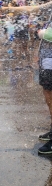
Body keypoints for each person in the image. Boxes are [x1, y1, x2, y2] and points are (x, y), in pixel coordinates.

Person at [37, 22, 52, 154]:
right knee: (48, 97)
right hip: (47, 64)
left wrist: (44, 33)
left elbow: (47, 34)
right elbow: (33, 9)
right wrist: (7, 10)